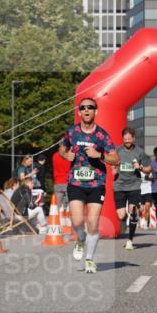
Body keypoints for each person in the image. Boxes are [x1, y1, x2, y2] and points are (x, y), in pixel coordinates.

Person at [59, 97, 119, 273]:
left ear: (96, 111)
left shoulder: (102, 135)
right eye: (83, 107)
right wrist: (65, 156)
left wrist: (98, 155)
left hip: (96, 183)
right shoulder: (72, 132)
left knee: (93, 223)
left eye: (90, 107)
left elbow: (116, 158)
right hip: (76, 182)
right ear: (79, 112)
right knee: (77, 221)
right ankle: (80, 239)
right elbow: (61, 148)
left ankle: (90, 259)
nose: (86, 110)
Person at [113, 128, 151, 250]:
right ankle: (124, 220)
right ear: (122, 139)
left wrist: (140, 167)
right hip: (119, 185)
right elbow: (111, 163)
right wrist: (114, 169)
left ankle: (130, 240)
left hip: (134, 185)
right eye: (125, 140)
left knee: (134, 212)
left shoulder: (140, 152)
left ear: (134, 139)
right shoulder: (117, 150)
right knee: (120, 215)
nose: (127, 142)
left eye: (129, 139)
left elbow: (148, 169)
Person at [51, 139, 71, 206]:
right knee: (68, 205)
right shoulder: (70, 157)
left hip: (57, 183)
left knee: (57, 205)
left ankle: (58, 216)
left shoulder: (54, 156)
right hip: (67, 182)